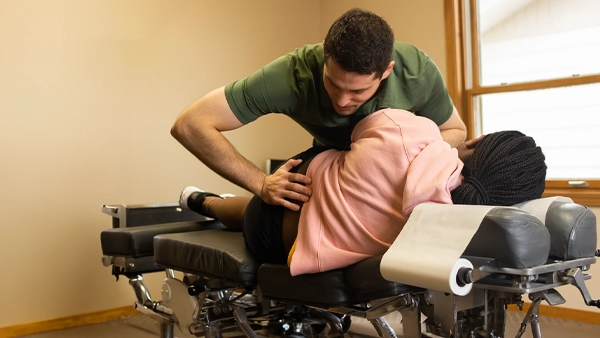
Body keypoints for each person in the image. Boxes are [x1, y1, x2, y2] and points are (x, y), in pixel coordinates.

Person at [179, 109, 547, 276]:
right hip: (295, 247)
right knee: (248, 214)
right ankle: (202, 201)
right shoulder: (460, 231)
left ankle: (201, 201)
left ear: (478, 140)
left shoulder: (411, 133)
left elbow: (352, 133)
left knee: (250, 210)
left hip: (283, 205)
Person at [171, 8, 470, 213]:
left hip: (391, 178)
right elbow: (190, 124)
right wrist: (260, 182)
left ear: (386, 72)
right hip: (330, 162)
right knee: (280, 213)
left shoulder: (418, 72)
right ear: (325, 55)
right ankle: (207, 203)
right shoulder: (292, 75)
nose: (341, 101)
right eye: (333, 83)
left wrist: (405, 158)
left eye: (357, 91)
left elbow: (456, 130)